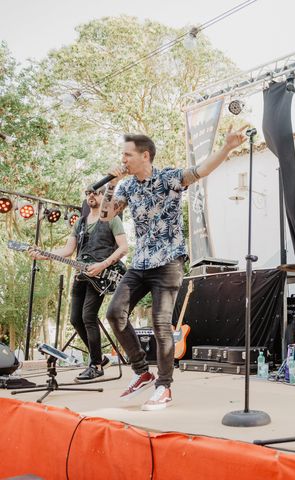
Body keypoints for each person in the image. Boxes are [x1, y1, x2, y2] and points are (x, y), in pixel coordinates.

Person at [100, 126, 247, 411]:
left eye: (127, 155)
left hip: (168, 262)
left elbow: (201, 170)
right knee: (114, 313)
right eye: (122, 155)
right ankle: (142, 371)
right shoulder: (127, 186)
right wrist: (111, 184)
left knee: (160, 322)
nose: (123, 160)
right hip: (141, 261)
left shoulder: (168, 178)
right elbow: (105, 217)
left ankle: (164, 387)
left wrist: (227, 147)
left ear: (145, 155)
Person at [30, 186, 128, 381]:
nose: (91, 195)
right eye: (87, 193)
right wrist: (42, 255)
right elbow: (68, 250)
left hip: (101, 274)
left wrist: (103, 265)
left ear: (104, 196)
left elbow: (124, 247)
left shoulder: (112, 219)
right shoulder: (80, 223)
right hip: (81, 275)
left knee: (88, 316)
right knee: (75, 319)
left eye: (95, 192)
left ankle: (96, 365)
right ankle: (99, 357)